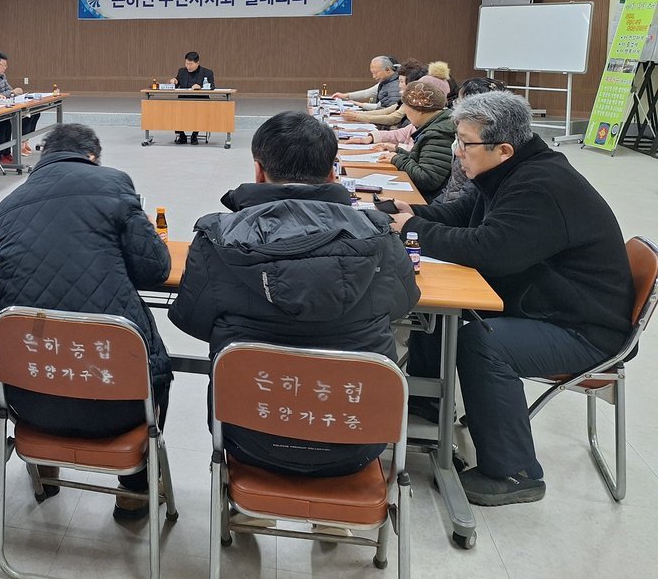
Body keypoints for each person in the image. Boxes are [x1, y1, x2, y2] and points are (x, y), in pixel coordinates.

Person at [390, 91, 635, 506]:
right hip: (547, 303)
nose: (457, 152)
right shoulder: (508, 170)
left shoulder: (541, 186)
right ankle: (429, 405)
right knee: (442, 308)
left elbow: (491, 250)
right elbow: (461, 217)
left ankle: (515, 472)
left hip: (584, 328)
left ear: (503, 149)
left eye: (464, 143)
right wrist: (404, 214)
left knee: (483, 343)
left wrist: (414, 229)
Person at [171, 111, 418, 478]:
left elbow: (194, 319)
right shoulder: (380, 235)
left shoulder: (217, 238)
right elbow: (402, 304)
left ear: (258, 171)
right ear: (332, 174)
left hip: (246, 433)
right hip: (357, 437)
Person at [0, 124, 172, 522]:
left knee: (39, 322)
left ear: (43, 157)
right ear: (93, 157)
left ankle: (44, 468)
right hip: (121, 404)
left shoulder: (7, 206)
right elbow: (155, 270)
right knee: (155, 364)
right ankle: (134, 489)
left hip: (30, 401)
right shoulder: (113, 184)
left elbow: (4, 274)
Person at [375, 76, 456, 202]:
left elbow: (427, 179)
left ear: (419, 110)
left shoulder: (438, 134)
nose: (406, 113)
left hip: (427, 200)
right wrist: (397, 151)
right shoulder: (437, 124)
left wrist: (397, 159)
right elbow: (423, 160)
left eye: (406, 108)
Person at [431, 77, 509, 204]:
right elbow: (451, 187)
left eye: (459, 101)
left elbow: (463, 200)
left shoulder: (484, 146)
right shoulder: (464, 138)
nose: (455, 104)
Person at [341, 58, 425, 129]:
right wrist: (357, 114)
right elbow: (386, 111)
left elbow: (393, 118)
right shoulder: (403, 95)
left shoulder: (414, 99)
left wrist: (358, 116)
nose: (399, 85)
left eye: (401, 82)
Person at [0, 52, 37, 155]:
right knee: (25, 116)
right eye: (3, 65)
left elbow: (9, 90)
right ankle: (20, 143)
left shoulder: (2, 76)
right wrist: (13, 92)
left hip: (8, 104)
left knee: (35, 112)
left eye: (6, 65)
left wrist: (14, 92)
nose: (5, 68)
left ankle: (24, 140)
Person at [173, 51, 215, 144]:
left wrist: (201, 87)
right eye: (186, 63)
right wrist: (174, 81)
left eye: (190, 64)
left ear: (197, 63)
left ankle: (194, 135)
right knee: (174, 110)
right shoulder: (182, 71)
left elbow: (212, 86)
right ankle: (182, 135)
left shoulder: (207, 72)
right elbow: (176, 84)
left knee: (200, 113)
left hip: (200, 100)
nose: (188, 66)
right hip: (184, 100)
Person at [330, 55, 399, 109]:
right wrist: (346, 95)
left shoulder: (396, 84)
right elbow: (367, 93)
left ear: (387, 69)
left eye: (376, 73)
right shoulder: (386, 81)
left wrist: (360, 106)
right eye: (372, 73)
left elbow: (386, 110)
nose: (374, 76)